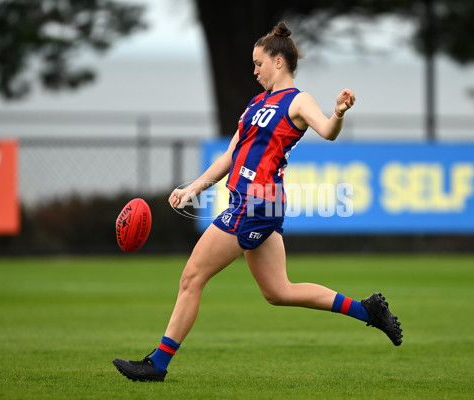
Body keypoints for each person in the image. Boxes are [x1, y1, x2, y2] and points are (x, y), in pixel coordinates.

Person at [113, 21, 402, 382]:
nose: (254, 71)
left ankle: (157, 364)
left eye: (259, 63)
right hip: (252, 204)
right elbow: (231, 154)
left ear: (279, 62)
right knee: (279, 292)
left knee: (191, 277)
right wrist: (194, 187)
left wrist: (339, 112)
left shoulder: (298, 100)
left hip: (257, 203)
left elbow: (327, 131)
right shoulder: (256, 104)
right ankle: (368, 311)